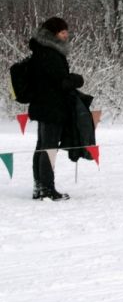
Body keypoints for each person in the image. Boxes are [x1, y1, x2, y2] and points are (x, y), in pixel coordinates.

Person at [27, 17, 85, 201]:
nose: (66, 35)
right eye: (62, 32)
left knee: (43, 146)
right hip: (52, 107)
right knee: (49, 147)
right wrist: (77, 80)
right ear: (53, 34)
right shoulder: (50, 54)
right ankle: (46, 189)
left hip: (43, 105)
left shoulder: (41, 51)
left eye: (66, 31)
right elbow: (60, 82)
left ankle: (40, 186)